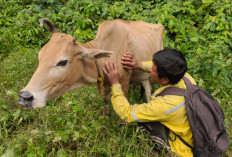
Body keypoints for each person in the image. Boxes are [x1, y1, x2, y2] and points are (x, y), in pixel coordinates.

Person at [103, 49, 196, 157]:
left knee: (144, 121)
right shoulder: (186, 78)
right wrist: (139, 65)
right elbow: (156, 66)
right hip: (190, 132)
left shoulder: (163, 106)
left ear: (165, 80)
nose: (150, 70)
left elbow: (127, 113)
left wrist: (115, 83)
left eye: (153, 70)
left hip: (183, 150)